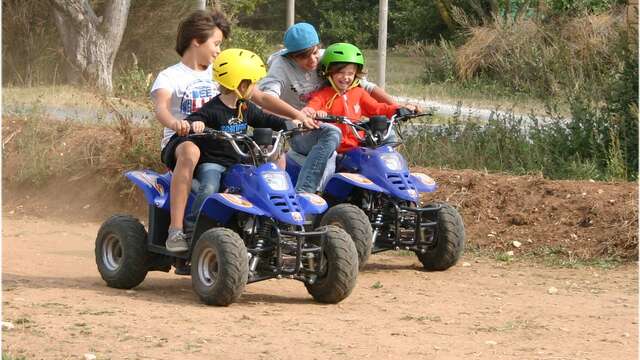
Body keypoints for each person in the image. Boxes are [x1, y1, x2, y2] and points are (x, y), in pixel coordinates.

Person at [150, 10, 314, 252]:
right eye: (216, 43)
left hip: (225, 139)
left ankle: (272, 226)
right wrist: (176, 123)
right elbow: (161, 109)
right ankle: (177, 230)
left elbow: (261, 100)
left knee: (271, 151)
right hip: (185, 138)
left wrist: (296, 116)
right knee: (191, 151)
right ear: (197, 40)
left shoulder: (224, 71)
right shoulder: (171, 76)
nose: (218, 50)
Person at [258, 22, 396, 193]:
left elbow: (363, 85)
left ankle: (388, 191)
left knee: (385, 131)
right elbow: (267, 99)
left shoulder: (326, 57)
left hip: (329, 121)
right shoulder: (281, 67)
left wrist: (397, 106)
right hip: (299, 128)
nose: (313, 60)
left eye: (315, 52)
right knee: (331, 133)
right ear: (291, 56)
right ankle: (306, 192)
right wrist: (299, 116)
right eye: (304, 57)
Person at [185, 49, 305, 229]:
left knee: (260, 184)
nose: (256, 88)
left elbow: (265, 119)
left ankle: (265, 227)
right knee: (209, 187)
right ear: (238, 84)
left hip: (238, 162)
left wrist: (289, 124)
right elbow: (195, 118)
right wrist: (196, 124)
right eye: (252, 84)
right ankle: (192, 225)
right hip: (214, 162)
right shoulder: (212, 108)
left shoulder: (245, 106)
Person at [304, 43, 416, 153]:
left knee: (387, 139)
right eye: (340, 72)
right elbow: (312, 108)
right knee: (328, 169)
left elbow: (377, 108)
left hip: (357, 145)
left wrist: (400, 110)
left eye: (350, 73)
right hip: (334, 149)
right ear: (329, 72)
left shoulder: (359, 93)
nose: (346, 77)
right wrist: (316, 113)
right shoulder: (323, 95)